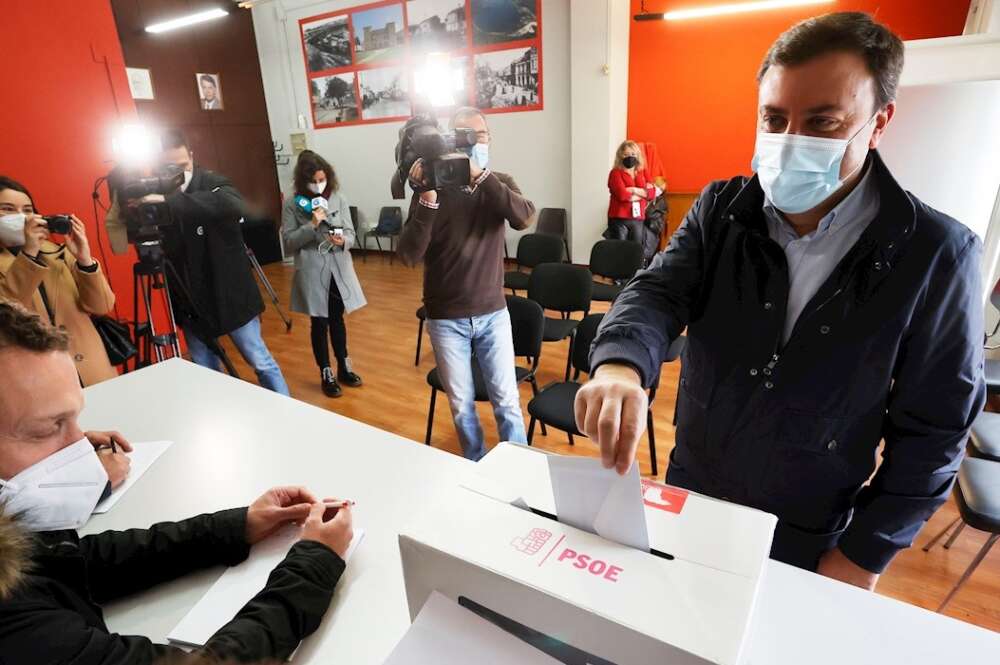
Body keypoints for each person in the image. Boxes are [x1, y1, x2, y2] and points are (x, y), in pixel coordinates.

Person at [575, 12, 986, 589]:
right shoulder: (722, 209)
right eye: (774, 118)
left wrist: (864, 554)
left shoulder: (936, 253)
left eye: (822, 122)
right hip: (691, 492)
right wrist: (619, 363)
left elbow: (936, 431)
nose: (791, 141)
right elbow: (657, 290)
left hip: (807, 532)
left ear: (878, 122)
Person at [0, 299, 354, 664]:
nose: (82, 446)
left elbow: (73, 562)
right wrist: (315, 562)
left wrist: (236, 526)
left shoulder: (15, 537)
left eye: (75, 420)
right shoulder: (19, 633)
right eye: (49, 428)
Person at [398, 106, 536, 461]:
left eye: (480, 136)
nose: (472, 142)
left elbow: (523, 217)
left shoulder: (499, 182)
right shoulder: (431, 188)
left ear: (489, 140)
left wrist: (480, 176)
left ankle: (520, 468)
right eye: (463, 136)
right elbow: (409, 254)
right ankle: (476, 464)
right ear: (448, 140)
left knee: (507, 400)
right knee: (461, 406)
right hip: (445, 317)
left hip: (492, 313)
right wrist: (427, 201)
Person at [112, 128, 291, 395]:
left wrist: (171, 201)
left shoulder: (211, 181)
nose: (175, 172)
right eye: (166, 167)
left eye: (182, 165)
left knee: (260, 360)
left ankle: (285, 409)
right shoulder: (151, 191)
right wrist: (124, 205)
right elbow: (126, 237)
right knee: (204, 369)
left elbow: (232, 204)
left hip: (230, 294)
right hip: (189, 298)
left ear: (192, 156)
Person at [0, 176, 118, 386]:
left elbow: (102, 305)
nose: (21, 217)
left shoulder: (58, 253)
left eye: (28, 210)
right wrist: (29, 253)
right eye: (7, 209)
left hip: (92, 370)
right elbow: (7, 317)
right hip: (35, 380)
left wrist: (85, 260)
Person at [282, 150, 366, 397]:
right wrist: (312, 225)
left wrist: (342, 240)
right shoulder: (292, 204)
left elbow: (351, 233)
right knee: (319, 322)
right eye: (314, 181)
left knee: (337, 319)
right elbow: (288, 242)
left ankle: (344, 365)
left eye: (323, 179)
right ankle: (325, 371)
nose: (319, 185)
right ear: (303, 180)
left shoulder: (338, 198)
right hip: (312, 271)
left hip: (339, 268)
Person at [606, 140, 657, 251]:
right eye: (626, 154)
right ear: (620, 156)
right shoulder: (615, 173)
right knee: (619, 251)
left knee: (635, 251)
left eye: (633, 154)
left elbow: (652, 194)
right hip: (619, 219)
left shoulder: (643, 172)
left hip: (638, 219)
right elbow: (622, 195)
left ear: (638, 156)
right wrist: (643, 193)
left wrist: (633, 190)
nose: (630, 157)